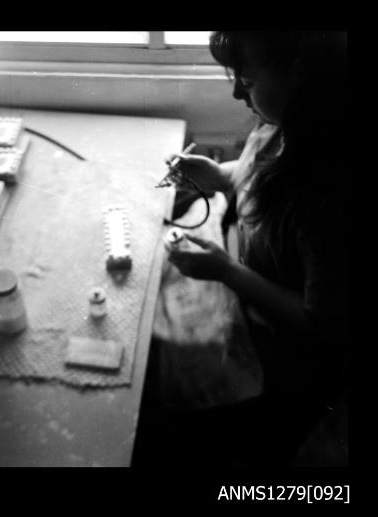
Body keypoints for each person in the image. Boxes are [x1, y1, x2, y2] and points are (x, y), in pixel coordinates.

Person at [132, 31, 348, 468]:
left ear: (302, 80)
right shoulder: (277, 127)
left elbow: (323, 323)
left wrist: (226, 271)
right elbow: (251, 179)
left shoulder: (322, 201)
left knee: (148, 363)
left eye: (247, 82)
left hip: (276, 343)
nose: (235, 93)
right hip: (235, 266)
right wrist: (220, 175)